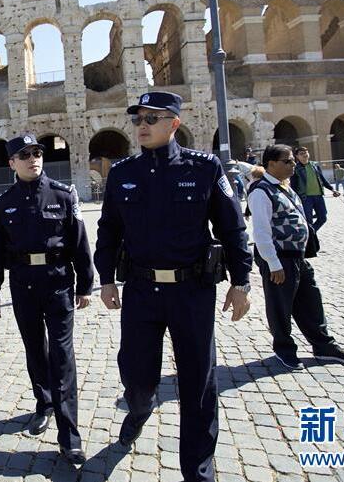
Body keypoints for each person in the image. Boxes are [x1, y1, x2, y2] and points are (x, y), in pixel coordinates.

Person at [95, 91, 252, 482]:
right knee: (137, 374)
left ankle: (198, 469)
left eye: (153, 118)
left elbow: (232, 228)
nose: (143, 125)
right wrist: (106, 279)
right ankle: (140, 407)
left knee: (198, 381)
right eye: (138, 119)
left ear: (174, 124)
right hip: (141, 292)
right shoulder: (123, 173)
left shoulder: (204, 168)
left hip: (192, 291)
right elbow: (108, 231)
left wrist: (242, 281)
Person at [0, 134, 93, 465]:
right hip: (23, 285)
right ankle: (43, 402)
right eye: (24, 155)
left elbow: (80, 241)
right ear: (12, 163)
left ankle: (69, 434)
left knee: (62, 355)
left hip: (58, 283)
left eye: (36, 153)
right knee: (35, 349)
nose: (33, 158)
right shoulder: (5, 202)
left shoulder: (62, 194)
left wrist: (86, 285)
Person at [248, 145, 344, 370]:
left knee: (311, 301)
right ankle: (284, 350)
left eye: (292, 161)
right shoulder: (261, 191)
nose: (293, 165)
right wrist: (273, 264)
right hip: (279, 259)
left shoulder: (285, 188)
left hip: (298, 257)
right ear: (271, 164)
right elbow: (260, 231)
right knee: (280, 306)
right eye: (287, 161)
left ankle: (323, 345)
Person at [289, 147, 340, 231]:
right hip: (305, 198)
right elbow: (293, 185)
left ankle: (311, 234)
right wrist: (294, 199)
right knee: (308, 220)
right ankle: (311, 238)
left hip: (319, 196)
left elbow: (322, 179)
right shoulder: (296, 169)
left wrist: (332, 189)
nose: (305, 155)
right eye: (301, 153)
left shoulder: (314, 165)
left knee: (323, 218)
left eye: (306, 152)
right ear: (297, 156)